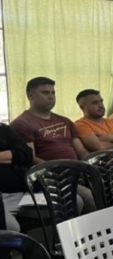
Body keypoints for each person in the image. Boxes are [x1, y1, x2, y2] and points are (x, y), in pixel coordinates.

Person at [10, 77, 94, 213]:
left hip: (79, 171)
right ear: (30, 95)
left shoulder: (65, 121)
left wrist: (90, 167)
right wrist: (63, 171)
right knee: (88, 196)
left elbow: (81, 150)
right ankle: (96, 231)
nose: (51, 97)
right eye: (45, 93)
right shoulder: (22, 123)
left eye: (53, 93)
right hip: (51, 177)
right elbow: (30, 158)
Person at [75, 89, 113, 200]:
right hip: (108, 167)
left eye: (101, 101)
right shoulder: (81, 125)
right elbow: (98, 147)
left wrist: (112, 138)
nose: (100, 105)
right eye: (95, 103)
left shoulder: (112, 122)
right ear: (83, 108)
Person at [0, 123, 34, 232]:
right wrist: (12, 156)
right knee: (11, 228)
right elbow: (19, 155)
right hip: (3, 198)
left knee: (73, 202)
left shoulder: (4, 129)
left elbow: (27, 154)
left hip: (24, 191)